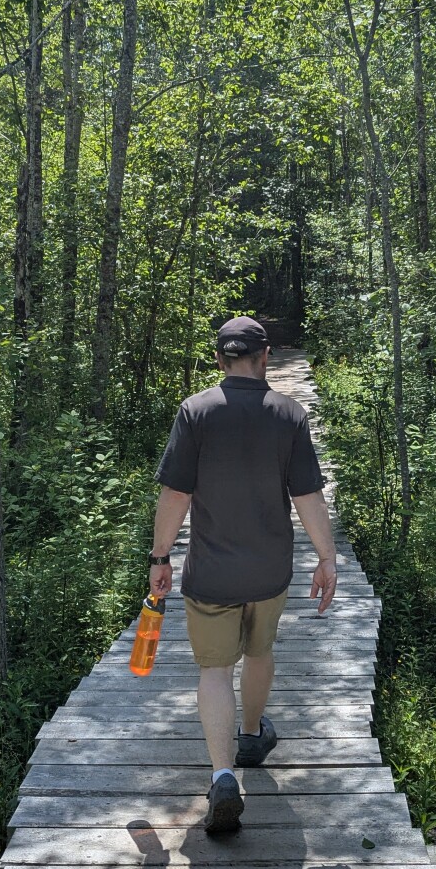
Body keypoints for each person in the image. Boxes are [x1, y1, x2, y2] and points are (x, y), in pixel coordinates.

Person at [149, 316, 338, 833]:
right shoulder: (289, 414)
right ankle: (252, 733)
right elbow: (307, 496)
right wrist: (327, 557)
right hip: (270, 571)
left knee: (214, 670)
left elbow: (175, 495)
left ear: (219, 359)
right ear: (266, 356)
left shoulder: (196, 411)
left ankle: (223, 774)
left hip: (211, 573)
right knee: (259, 652)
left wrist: (160, 557)